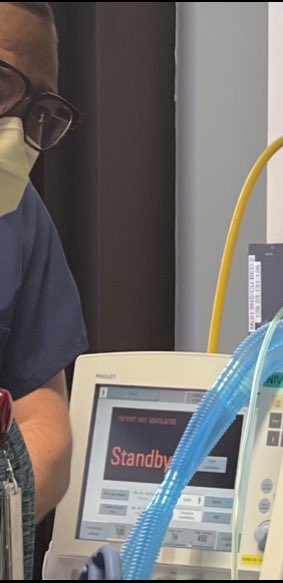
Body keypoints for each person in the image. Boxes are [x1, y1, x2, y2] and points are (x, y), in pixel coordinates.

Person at [0, 0, 88, 571]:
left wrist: (7, 499)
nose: (16, 135)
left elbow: (44, 416)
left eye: (39, 111)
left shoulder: (18, 218)